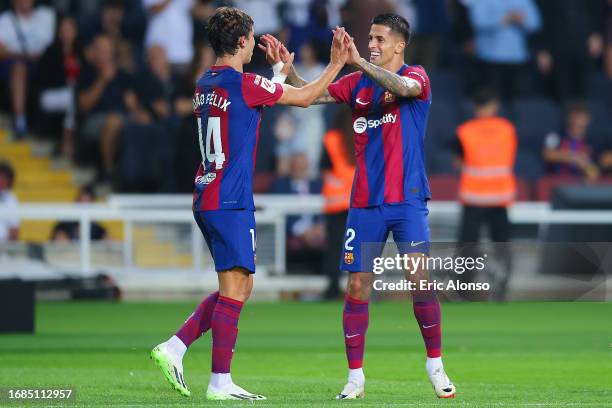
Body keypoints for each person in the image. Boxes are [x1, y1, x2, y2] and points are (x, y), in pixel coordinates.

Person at [150, 6, 351, 401]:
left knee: (238, 287)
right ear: (242, 41)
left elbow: (248, 101)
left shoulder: (206, 81)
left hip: (208, 192)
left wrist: (276, 72)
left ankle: (177, 349)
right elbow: (307, 97)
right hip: (230, 198)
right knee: (235, 288)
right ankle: (217, 379)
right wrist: (335, 64)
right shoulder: (245, 84)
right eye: (252, 38)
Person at [261, 12, 455, 400]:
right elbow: (308, 95)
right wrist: (288, 69)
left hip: (407, 200)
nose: (372, 44)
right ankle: (355, 378)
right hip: (365, 203)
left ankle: (435, 364)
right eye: (370, 38)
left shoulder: (417, 77)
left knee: (419, 282)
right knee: (357, 285)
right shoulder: (357, 84)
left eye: (381, 39)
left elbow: (401, 87)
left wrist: (359, 62)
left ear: (400, 44)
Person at [454, 89, 517, 300]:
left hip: (474, 197)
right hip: (500, 197)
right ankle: (501, 286)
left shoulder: (465, 131)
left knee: (467, 245)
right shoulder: (507, 129)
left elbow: (458, 161)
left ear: (475, 107)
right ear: (494, 106)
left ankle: (463, 290)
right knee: (502, 245)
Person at [0, 0, 56, 137]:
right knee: (19, 68)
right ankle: (20, 121)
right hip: (12, 66)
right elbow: (2, 51)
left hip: (44, 65)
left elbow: (51, 47)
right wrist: (27, 56)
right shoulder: (5, 19)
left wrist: (17, 53)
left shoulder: (46, 16)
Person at [320, 105, 355, 299]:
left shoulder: (331, 139)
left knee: (335, 247)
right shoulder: (364, 136)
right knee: (358, 247)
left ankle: (333, 288)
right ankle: (360, 285)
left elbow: (324, 168)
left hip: (335, 204)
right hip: (359, 204)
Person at [543, 103, 600, 181]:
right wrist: (575, 158)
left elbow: (594, 166)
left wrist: (590, 171)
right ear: (569, 118)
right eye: (575, 117)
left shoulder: (591, 142)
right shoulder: (556, 135)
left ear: (588, 120)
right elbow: (547, 154)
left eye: (582, 118)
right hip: (557, 181)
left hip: (580, 183)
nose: (578, 121)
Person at [0, 161, 19, 243]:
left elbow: (14, 228)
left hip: (4, 246)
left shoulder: (12, 199)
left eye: (4, 177)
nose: (1, 180)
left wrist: (10, 249)